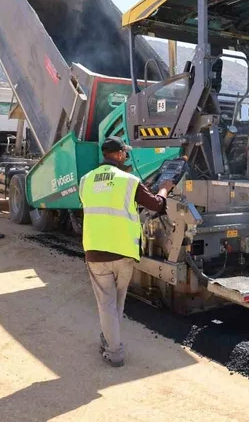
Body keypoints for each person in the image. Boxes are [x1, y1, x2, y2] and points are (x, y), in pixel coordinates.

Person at [79, 136, 172, 367]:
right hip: (123, 253)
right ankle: (113, 346)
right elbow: (156, 205)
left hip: (96, 253)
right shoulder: (129, 181)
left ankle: (112, 346)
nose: (126, 157)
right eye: (125, 153)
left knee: (106, 305)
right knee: (116, 304)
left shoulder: (85, 181)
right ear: (120, 154)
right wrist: (164, 188)